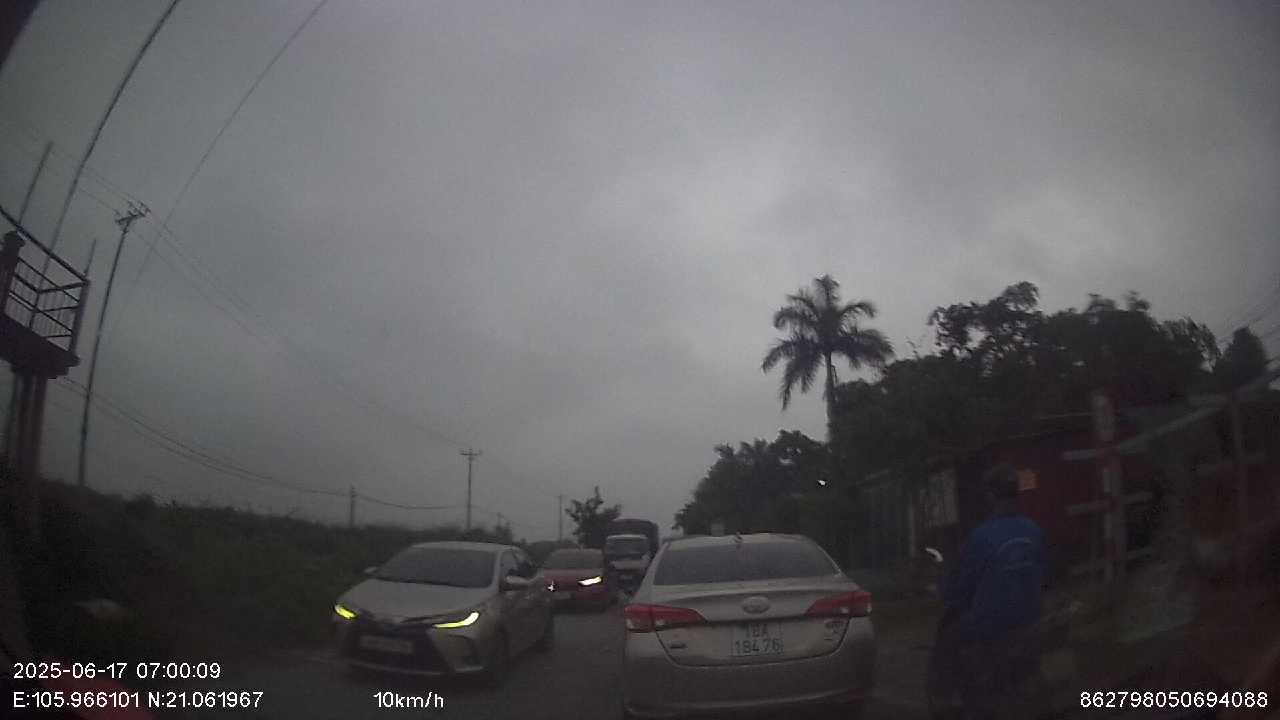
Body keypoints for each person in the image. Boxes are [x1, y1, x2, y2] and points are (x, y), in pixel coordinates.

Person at [940, 463, 1047, 719]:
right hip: (1030, 619)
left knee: (951, 637)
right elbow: (1046, 573)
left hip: (991, 626)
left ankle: (957, 700)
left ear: (990, 496)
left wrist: (946, 592)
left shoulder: (981, 537)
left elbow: (962, 586)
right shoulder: (1034, 530)